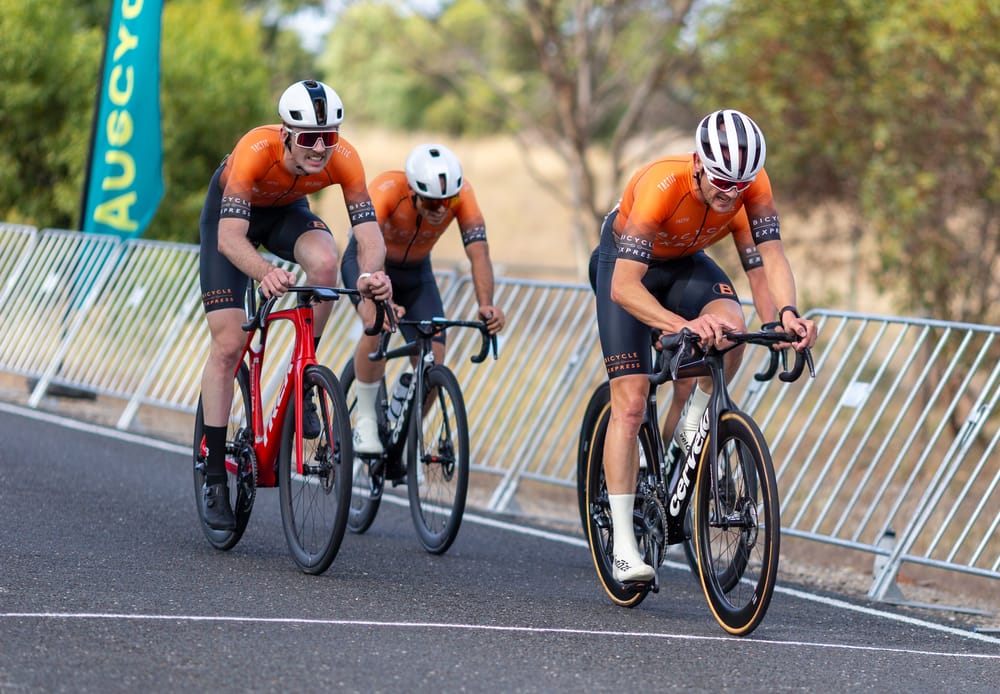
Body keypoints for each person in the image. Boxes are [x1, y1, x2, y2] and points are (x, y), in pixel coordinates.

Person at [590, 109, 817, 582]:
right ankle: (626, 548)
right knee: (631, 403)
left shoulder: (752, 186)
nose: (728, 194)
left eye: (739, 185)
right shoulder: (661, 184)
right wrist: (681, 324)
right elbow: (624, 288)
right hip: (628, 269)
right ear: (698, 163)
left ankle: (694, 421)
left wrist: (785, 316)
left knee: (731, 331)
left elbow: (765, 263)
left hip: (686, 263)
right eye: (719, 181)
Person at [197, 79, 392, 530]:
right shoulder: (255, 150)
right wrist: (265, 273)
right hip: (230, 222)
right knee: (229, 345)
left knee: (324, 264)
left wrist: (372, 275)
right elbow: (230, 239)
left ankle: (304, 371)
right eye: (309, 138)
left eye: (329, 137)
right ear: (286, 133)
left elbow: (368, 236)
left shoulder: (344, 158)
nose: (321, 149)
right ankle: (212, 474)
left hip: (287, 212)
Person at [343, 143, 506, 454]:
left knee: (434, 360)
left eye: (448, 202)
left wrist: (486, 304)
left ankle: (405, 435)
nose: (442, 210)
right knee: (376, 323)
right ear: (413, 192)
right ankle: (364, 421)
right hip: (369, 262)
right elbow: (366, 245)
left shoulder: (463, 193)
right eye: (432, 204)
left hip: (417, 274)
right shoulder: (388, 189)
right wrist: (378, 293)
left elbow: (479, 252)